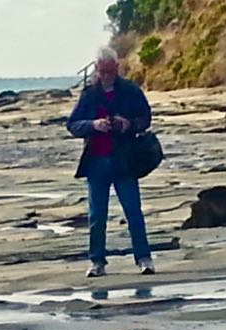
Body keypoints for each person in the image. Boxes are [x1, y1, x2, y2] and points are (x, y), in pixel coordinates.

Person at [67, 47, 155, 277]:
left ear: (116, 67)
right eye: (102, 70)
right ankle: (97, 262)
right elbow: (73, 124)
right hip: (96, 162)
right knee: (97, 215)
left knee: (133, 211)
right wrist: (93, 125)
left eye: (109, 70)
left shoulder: (130, 90)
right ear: (96, 69)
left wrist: (128, 124)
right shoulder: (89, 93)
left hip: (124, 160)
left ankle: (144, 258)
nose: (106, 75)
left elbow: (145, 118)